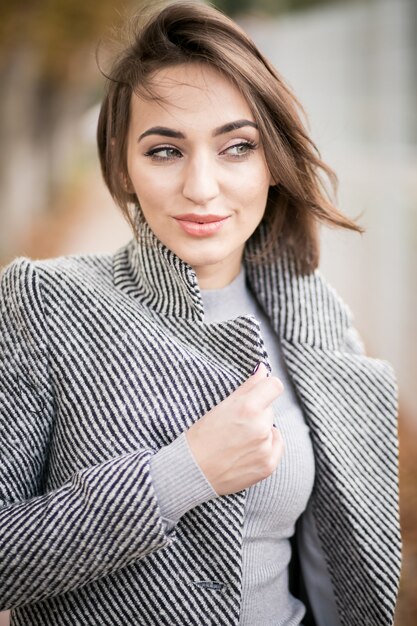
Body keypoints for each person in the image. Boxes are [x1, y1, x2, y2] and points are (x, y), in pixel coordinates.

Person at [0, 2, 401, 625]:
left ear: (272, 161)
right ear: (123, 165)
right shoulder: (47, 303)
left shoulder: (318, 321)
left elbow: (342, 566)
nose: (202, 187)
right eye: (165, 151)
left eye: (236, 147)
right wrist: (179, 474)